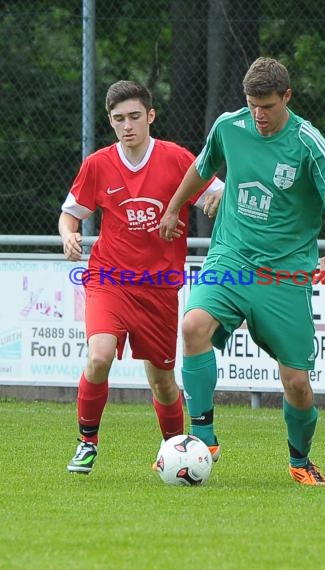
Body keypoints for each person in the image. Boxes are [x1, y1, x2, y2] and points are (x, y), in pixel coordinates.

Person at [159, 57, 325, 486]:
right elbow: (202, 168)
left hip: (284, 276)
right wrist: (175, 206)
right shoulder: (229, 127)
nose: (259, 115)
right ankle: (203, 435)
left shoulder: (307, 142)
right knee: (193, 325)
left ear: (286, 97)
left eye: (267, 106)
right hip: (231, 259)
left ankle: (300, 460)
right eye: (252, 105)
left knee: (297, 384)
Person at [59, 80, 224, 474]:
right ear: (110, 121)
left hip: (159, 288)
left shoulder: (177, 158)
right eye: (118, 119)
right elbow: (71, 213)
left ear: (150, 116)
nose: (127, 125)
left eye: (135, 116)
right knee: (98, 357)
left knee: (163, 383)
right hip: (108, 279)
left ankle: (176, 454)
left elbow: (216, 192)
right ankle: (87, 442)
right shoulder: (98, 164)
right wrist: (68, 234)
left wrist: (218, 197)